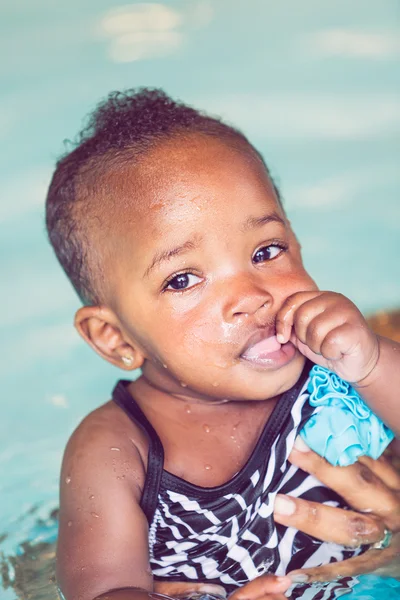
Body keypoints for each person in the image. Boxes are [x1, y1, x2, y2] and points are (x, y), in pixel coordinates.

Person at [45, 89, 400, 600]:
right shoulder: (116, 449)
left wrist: (371, 364)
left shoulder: (341, 365)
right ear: (116, 337)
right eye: (183, 279)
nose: (252, 297)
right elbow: (105, 591)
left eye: (266, 250)